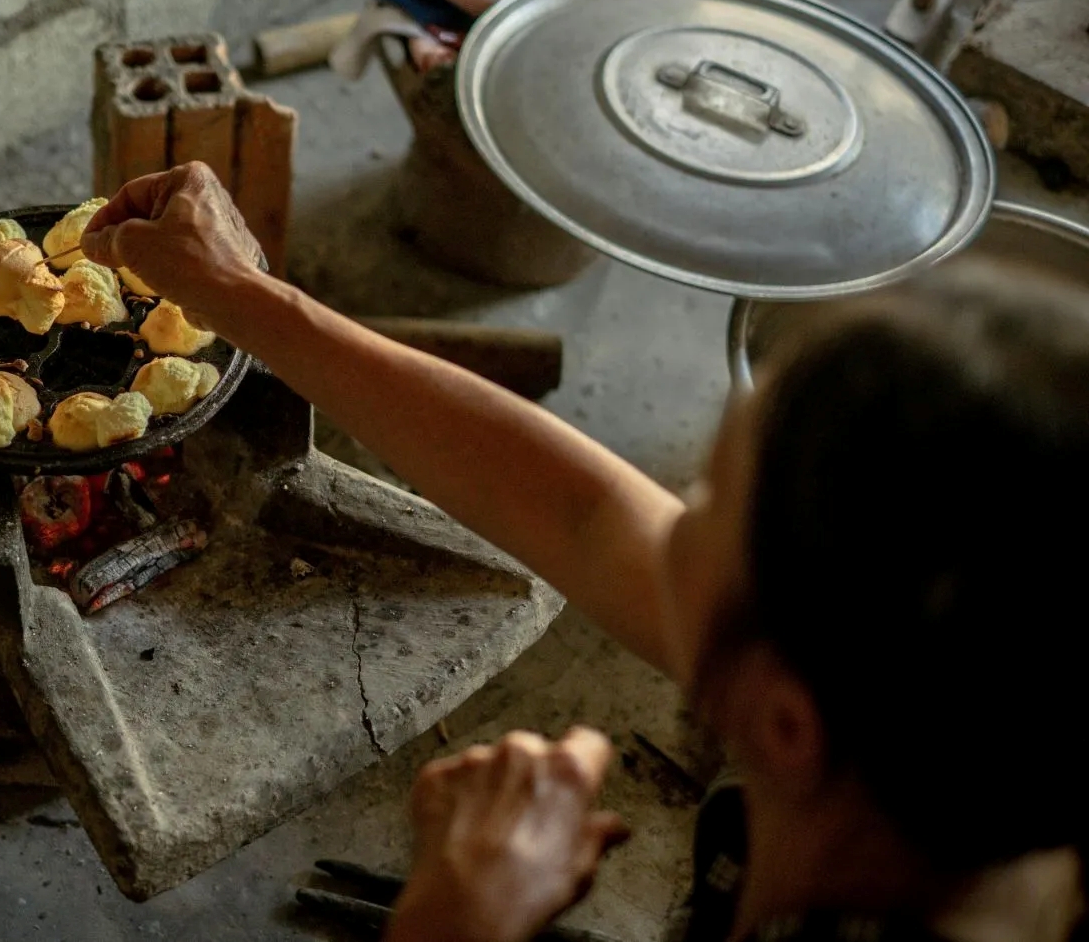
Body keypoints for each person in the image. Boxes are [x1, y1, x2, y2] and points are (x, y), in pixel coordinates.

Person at [80, 163, 1089, 942]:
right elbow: (586, 517)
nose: (667, 509)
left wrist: (454, 915)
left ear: (785, 721)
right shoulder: (951, 738)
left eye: (705, 502)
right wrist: (244, 296)